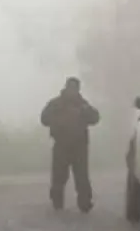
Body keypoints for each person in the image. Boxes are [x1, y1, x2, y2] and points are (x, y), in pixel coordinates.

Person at [39, 76, 100, 212]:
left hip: (79, 146)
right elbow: (44, 119)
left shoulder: (83, 104)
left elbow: (95, 118)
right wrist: (57, 120)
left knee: (81, 176)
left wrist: (85, 111)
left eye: (75, 89)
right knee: (59, 175)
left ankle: (84, 203)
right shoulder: (56, 104)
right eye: (70, 88)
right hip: (61, 144)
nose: (72, 91)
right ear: (66, 88)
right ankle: (57, 202)